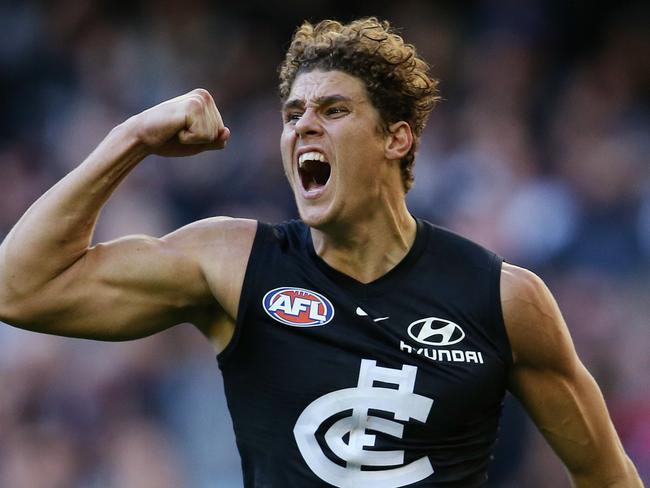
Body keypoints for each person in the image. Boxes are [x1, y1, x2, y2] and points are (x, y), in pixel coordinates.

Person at [0, 17, 642, 488]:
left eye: (332, 109)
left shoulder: (503, 297)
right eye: (292, 113)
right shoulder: (233, 264)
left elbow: (607, 477)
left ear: (396, 138)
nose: (303, 125)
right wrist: (131, 138)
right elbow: (18, 289)